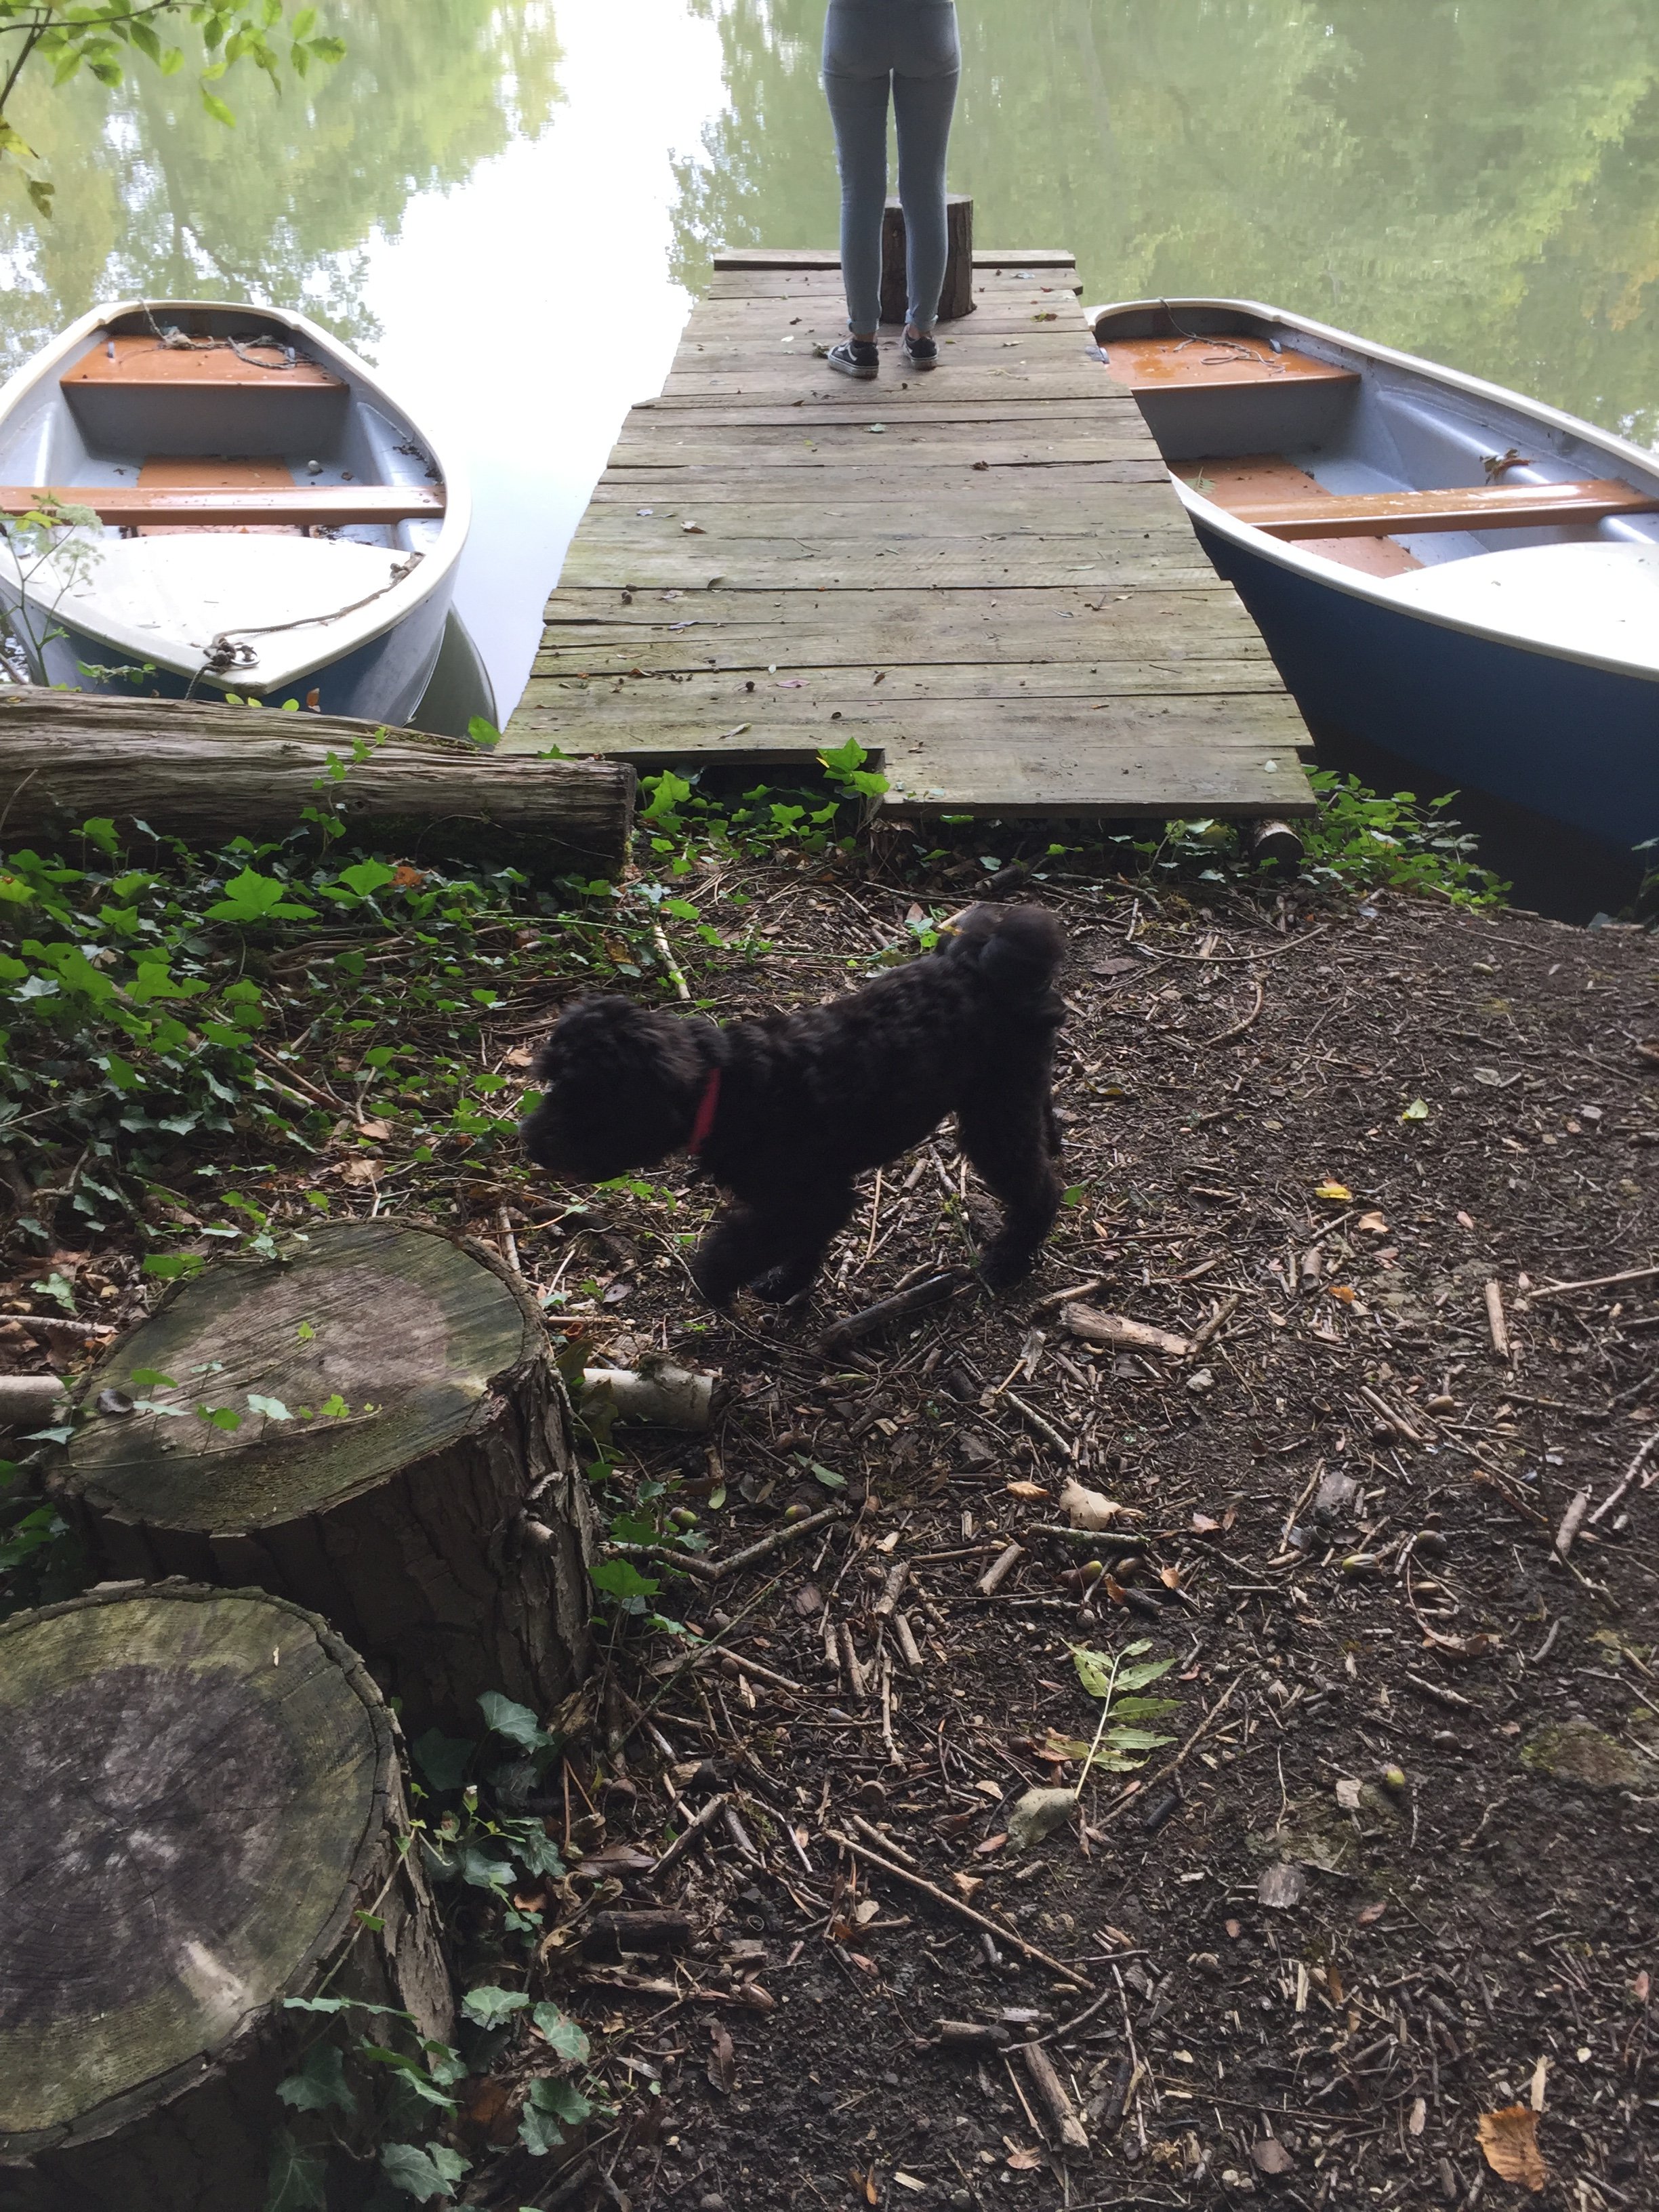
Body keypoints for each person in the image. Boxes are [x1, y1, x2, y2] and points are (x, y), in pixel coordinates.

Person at [821, 0, 960, 378]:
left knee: (860, 190)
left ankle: (863, 342)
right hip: (929, 26)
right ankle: (921, 336)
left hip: (854, 27)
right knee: (926, 185)